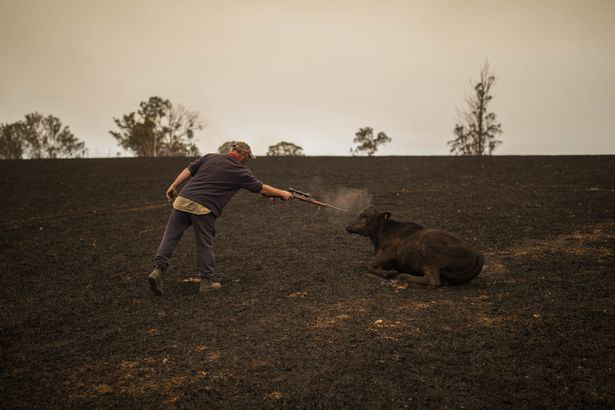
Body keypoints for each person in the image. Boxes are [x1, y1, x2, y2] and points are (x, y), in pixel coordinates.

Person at [148, 142, 292, 295]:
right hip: (204, 208)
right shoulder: (240, 171)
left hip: (182, 200)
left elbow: (188, 170)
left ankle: (157, 271)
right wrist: (282, 193)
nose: (246, 161)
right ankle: (206, 282)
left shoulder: (210, 157)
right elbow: (261, 188)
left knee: (170, 237)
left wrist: (173, 186)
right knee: (205, 243)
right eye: (247, 158)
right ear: (243, 155)